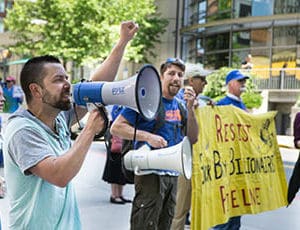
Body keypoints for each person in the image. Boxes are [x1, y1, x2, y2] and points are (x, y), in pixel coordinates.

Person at [3, 21, 138, 229]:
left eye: (67, 77)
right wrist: (89, 130)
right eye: (59, 79)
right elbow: (59, 175)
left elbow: (94, 85)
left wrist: (122, 42)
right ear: (36, 90)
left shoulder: (58, 117)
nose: (68, 84)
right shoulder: (22, 130)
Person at [110, 58, 199, 230]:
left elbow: (193, 138)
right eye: (171, 73)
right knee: (145, 224)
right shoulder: (146, 101)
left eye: (180, 75)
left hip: (172, 175)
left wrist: (191, 108)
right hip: (149, 174)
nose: (176, 78)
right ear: (161, 77)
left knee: (165, 224)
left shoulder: (181, 106)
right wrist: (148, 137)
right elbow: (117, 127)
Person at [171, 68, 212, 230]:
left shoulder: (200, 101)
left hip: (195, 159)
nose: (205, 83)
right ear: (191, 80)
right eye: (201, 79)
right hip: (182, 158)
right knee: (179, 208)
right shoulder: (180, 100)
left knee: (186, 206)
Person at [212, 69, 249, 230]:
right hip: (225, 165)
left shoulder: (243, 106)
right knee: (224, 211)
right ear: (230, 84)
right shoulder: (221, 105)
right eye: (240, 81)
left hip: (240, 166)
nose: (243, 84)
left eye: (243, 81)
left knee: (236, 211)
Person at [102, 104, 132, 204]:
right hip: (116, 141)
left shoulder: (124, 106)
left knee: (122, 171)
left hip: (124, 141)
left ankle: (120, 194)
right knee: (115, 170)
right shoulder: (117, 107)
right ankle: (114, 195)